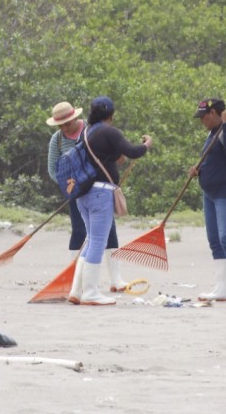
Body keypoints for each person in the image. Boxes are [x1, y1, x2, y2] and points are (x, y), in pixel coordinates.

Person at [68, 96, 152, 306]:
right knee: (98, 241)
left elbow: (111, 155)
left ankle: (77, 291)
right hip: (100, 193)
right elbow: (132, 152)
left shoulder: (86, 133)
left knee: (90, 240)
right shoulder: (109, 131)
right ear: (111, 115)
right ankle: (91, 293)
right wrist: (147, 145)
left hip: (83, 195)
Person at [46, 101, 128, 293]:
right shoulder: (56, 141)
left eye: (68, 122)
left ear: (76, 117)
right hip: (77, 192)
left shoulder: (92, 131)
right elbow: (53, 170)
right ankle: (76, 281)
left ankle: (116, 280)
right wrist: (72, 185)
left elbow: (118, 157)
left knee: (109, 231)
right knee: (79, 232)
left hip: (101, 189)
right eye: (61, 125)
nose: (65, 127)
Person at [189, 98, 226, 304]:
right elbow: (214, 160)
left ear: (214, 113)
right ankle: (222, 288)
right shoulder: (212, 133)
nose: (202, 122)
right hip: (210, 193)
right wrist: (199, 171)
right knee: (214, 240)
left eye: (204, 117)